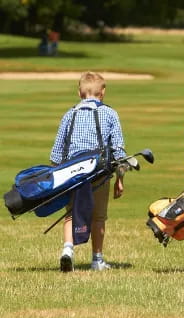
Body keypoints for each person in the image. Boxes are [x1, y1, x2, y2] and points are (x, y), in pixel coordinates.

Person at [50, 72, 126, 272]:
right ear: (102, 93)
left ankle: (68, 250)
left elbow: (56, 153)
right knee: (98, 216)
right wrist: (120, 178)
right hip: (99, 173)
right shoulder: (110, 113)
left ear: (79, 92)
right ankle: (97, 259)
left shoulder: (69, 114)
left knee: (70, 214)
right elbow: (119, 151)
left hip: (72, 173)